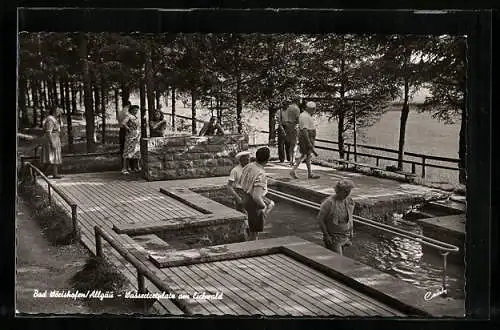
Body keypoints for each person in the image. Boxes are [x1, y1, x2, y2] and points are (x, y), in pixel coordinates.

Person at [239, 147, 275, 241]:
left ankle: (248, 226)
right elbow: (256, 197)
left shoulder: (249, 166)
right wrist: (263, 207)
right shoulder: (261, 174)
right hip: (254, 204)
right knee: (254, 236)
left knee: (271, 204)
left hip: (244, 197)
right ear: (268, 159)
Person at [317, 179, 356, 256]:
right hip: (333, 237)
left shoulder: (349, 201)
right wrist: (326, 235)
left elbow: (351, 217)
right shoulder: (329, 202)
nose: (347, 194)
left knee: (336, 258)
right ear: (338, 191)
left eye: (349, 191)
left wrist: (351, 231)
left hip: (346, 235)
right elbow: (320, 219)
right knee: (338, 260)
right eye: (345, 191)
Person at [290, 101, 320, 179]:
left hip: (308, 137)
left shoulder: (305, 115)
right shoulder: (305, 116)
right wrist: (309, 142)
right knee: (305, 155)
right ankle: (294, 170)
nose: (314, 110)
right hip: (307, 137)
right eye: (314, 109)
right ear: (311, 109)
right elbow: (305, 130)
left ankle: (309, 173)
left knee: (307, 155)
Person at [40, 107, 64, 179]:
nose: (60, 112)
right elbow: (48, 132)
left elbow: (60, 126)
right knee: (50, 157)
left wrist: (60, 117)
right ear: (54, 111)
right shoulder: (50, 119)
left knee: (54, 157)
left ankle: (54, 173)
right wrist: (52, 142)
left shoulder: (55, 119)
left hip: (55, 138)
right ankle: (41, 172)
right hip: (51, 138)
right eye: (58, 111)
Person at [121, 105, 141, 174]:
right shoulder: (129, 116)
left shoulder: (136, 117)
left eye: (137, 110)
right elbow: (123, 123)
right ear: (131, 110)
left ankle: (135, 167)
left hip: (137, 136)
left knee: (136, 151)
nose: (136, 111)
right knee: (127, 152)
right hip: (130, 136)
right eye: (135, 110)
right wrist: (128, 128)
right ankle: (124, 168)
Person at [118, 101, 131, 169]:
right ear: (129, 105)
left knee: (123, 148)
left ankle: (123, 165)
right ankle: (127, 166)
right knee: (127, 148)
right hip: (126, 130)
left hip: (121, 130)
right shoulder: (127, 113)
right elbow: (125, 123)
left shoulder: (120, 112)